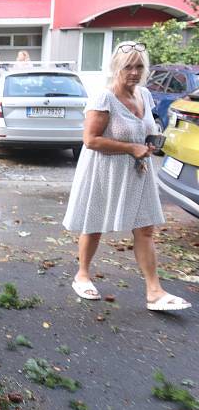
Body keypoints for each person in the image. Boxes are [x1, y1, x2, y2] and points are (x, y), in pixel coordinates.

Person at [63, 41, 191, 312]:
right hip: (103, 170)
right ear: (116, 68)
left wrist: (150, 141)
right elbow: (90, 140)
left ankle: (154, 292)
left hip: (137, 170)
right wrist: (131, 147)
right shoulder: (104, 98)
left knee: (145, 228)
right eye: (128, 66)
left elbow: (145, 127)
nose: (134, 72)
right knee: (94, 223)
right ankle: (82, 274)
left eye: (139, 66)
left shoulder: (144, 95)